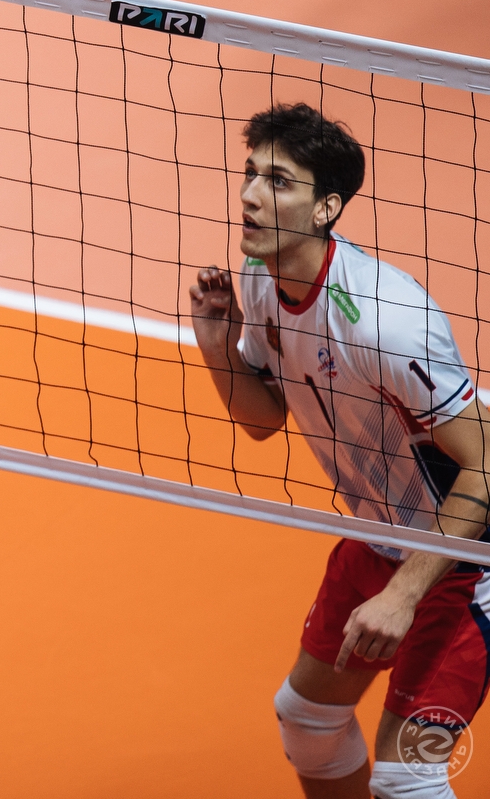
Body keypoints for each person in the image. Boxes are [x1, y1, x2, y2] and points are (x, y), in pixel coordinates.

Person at [190, 102, 490, 799]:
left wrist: (403, 596)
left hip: (468, 558)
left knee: (407, 778)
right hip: (383, 535)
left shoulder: (387, 322)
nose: (250, 195)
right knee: (306, 722)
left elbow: (486, 465)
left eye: (278, 181)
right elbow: (263, 420)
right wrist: (217, 347)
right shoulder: (262, 276)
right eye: (250, 173)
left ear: (326, 208)